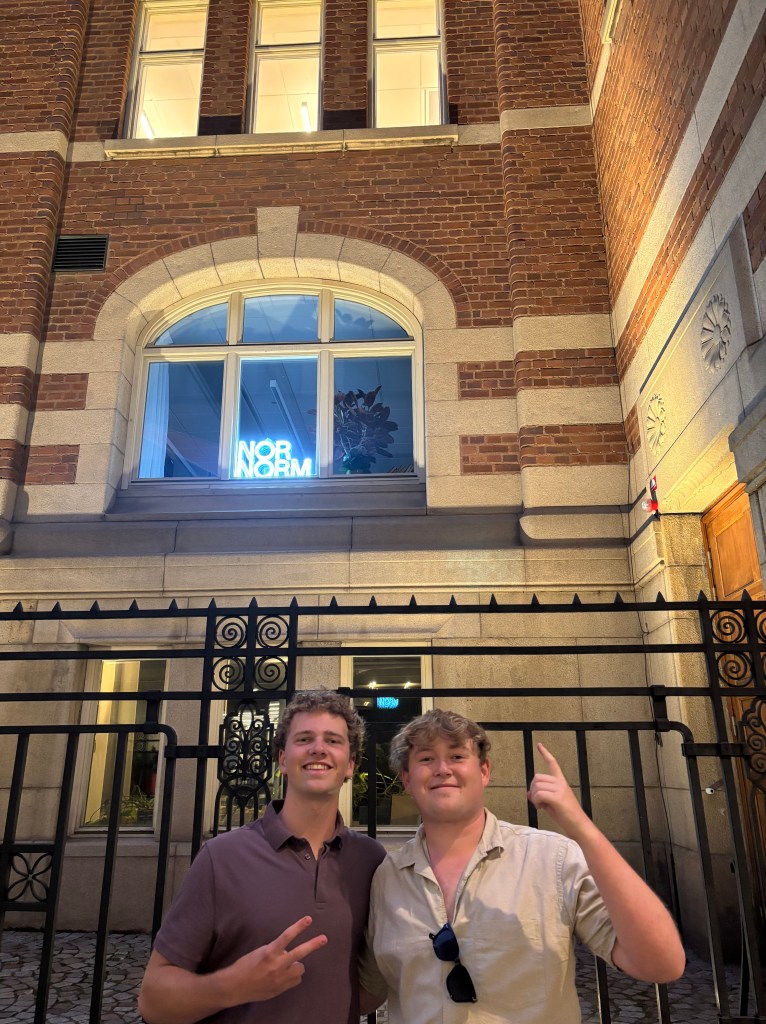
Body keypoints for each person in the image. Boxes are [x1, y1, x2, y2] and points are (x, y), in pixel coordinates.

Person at [362, 709, 685, 1024]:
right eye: (426, 758)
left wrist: (583, 829)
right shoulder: (386, 877)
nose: (442, 769)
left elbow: (661, 964)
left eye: (457, 756)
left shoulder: (553, 859)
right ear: (406, 778)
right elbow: (368, 992)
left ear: (484, 771)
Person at [138, 690, 385, 1024]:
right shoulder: (222, 858)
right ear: (282, 760)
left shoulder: (371, 860)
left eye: (333, 740)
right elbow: (153, 1001)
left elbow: (368, 989)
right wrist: (232, 987)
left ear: (351, 764)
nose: (318, 748)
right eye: (304, 739)